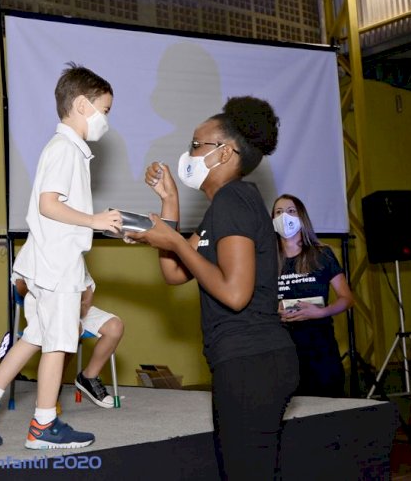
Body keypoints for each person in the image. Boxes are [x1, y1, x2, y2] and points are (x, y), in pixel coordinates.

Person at [128, 96, 298, 479]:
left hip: (253, 362)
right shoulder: (222, 207)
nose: (187, 154)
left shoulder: (233, 201)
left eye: (195, 145)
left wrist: (170, 242)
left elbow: (235, 294)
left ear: (224, 153)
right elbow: (175, 274)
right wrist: (169, 204)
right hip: (245, 361)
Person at [0, 63, 122, 449]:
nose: (106, 119)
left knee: (35, 335)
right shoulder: (66, 149)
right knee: (60, 344)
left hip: (47, 260)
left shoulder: (67, 149)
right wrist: (96, 219)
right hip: (55, 265)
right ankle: (43, 426)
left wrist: (94, 224)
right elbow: (50, 205)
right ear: (83, 105)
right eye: (106, 109)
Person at [272, 194, 354, 397]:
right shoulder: (266, 260)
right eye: (278, 212)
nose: (285, 217)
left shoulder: (322, 253)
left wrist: (322, 312)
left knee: (328, 406)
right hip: (282, 347)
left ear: (302, 217)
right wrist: (274, 311)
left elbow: (347, 298)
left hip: (320, 346)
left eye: (291, 211)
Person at [14, 274, 124, 409]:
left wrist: (81, 308)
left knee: (115, 326)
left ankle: (88, 377)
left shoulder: (75, 254)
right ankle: (52, 387)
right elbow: (20, 286)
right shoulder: (33, 253)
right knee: (70, 329)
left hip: (76, 307)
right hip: (45, 307)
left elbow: (87, 288)